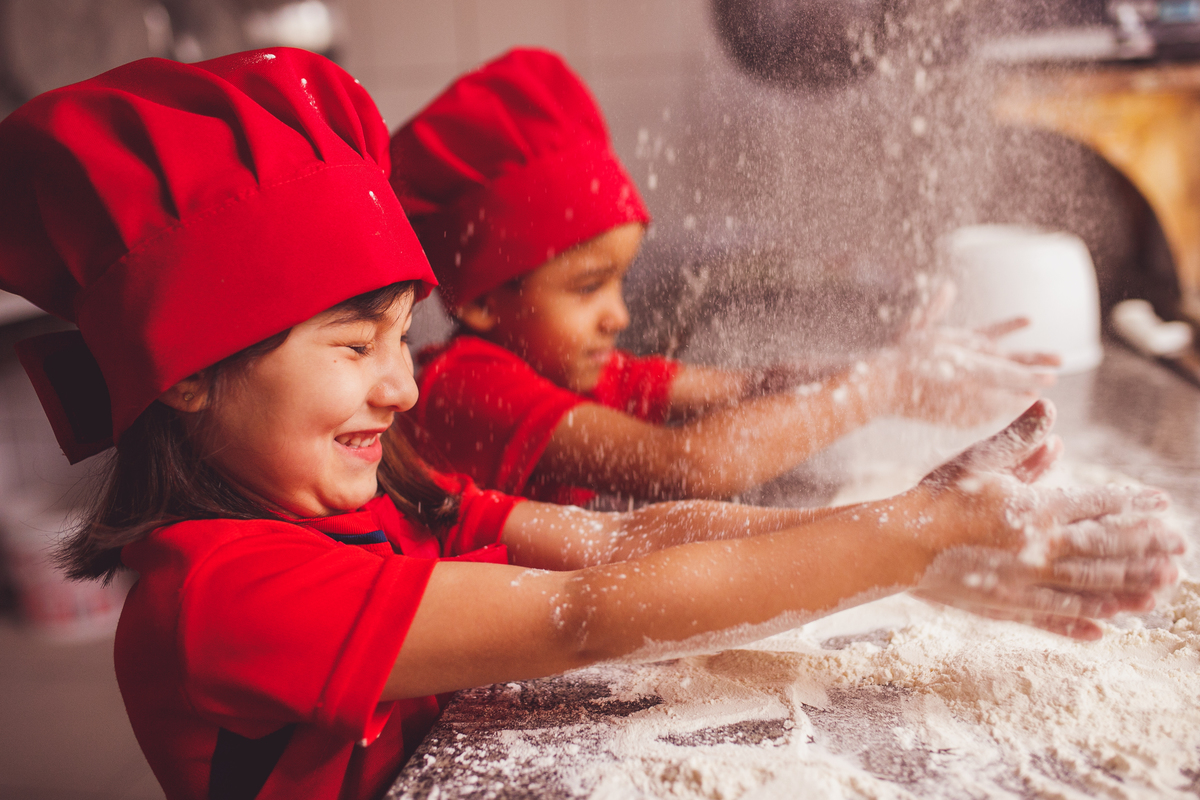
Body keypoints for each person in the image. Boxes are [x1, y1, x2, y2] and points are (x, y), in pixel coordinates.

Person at [0, 48, 1183, 800]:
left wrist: (905, 536)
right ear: (193, 371)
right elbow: (580, 617)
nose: (402, 385)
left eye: (398, 340)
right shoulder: (220, 594)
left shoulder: (381, 490)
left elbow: (618, 544)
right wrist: (920, 536)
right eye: (353, 346)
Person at [389, 48, 1059, 507]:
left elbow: (754, 389)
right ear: (477, 300)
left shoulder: (573, 369)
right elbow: (688, 467)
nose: (617, 315)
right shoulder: (464, 389)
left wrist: (885, 366)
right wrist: (874, 390)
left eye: (619, 283)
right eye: (587, 287)